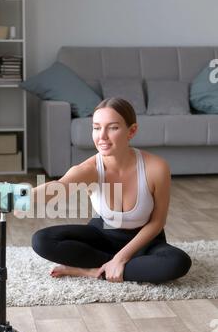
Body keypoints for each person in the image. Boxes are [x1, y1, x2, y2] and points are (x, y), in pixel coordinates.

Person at [29, 97, 192, 284]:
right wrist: (19, 196)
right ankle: (119, 267)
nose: (102, 136)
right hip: (103, 235)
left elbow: (158, 222)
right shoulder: (89, 169)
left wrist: (121, 258)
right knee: (42, 240)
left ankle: (92, 271)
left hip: (144, 242)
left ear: (132, 131)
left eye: (113, 127)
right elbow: (56, 188)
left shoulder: (156, 167)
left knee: (178, 262)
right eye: (96, 128)